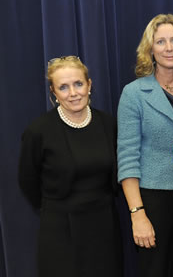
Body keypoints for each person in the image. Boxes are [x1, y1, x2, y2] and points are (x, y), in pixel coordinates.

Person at [18, 56, 121, 277]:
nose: (73, 93)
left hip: (103, 226)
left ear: (89, 85)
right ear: (53, 93)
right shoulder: (38, 131)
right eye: (63, 87)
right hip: (60, 229)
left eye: (78, 84)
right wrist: (54, 207)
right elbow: (27, 180)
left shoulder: (109, 124)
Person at [117, 13, 173, 277]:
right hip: (153, 199)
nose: (169, 47)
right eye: (160, 41)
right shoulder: (134, 93)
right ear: (150, 48)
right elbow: (127, 157)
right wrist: (137, 213)